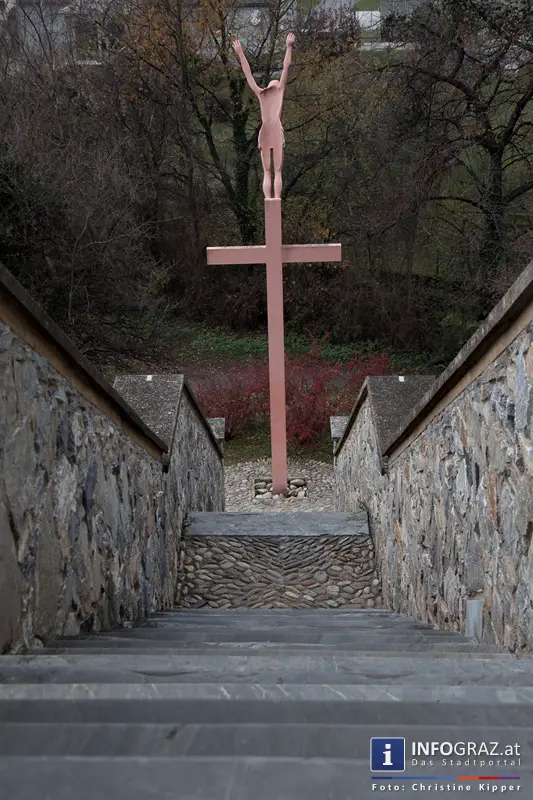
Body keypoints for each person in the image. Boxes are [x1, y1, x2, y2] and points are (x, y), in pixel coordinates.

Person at [232, 33, 295, 199]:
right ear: (277, 87)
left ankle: (268, 199)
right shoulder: (280, 91)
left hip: (265, 132)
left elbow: (248, 74)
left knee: (267, 171)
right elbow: (286, 67)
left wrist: (240, 53)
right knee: (278, 171)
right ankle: (276, 198)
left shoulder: (261, 94)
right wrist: (289, 47)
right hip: (276, 131)